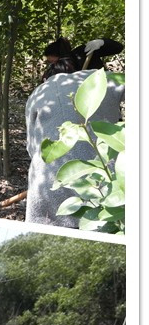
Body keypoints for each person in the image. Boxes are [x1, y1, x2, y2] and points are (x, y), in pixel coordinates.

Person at [25, 67, 125, 228]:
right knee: (107, 224)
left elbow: (32, 147)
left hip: (46, 180)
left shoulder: (37, 93)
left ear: (46, 78)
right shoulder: (101, 78)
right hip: (103, 174)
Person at [41, 36, 124, 81]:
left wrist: (103, 42)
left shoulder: (84, 52)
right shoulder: (53, 71)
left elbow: (118, 48)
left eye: (52, 60)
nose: (52, 64)